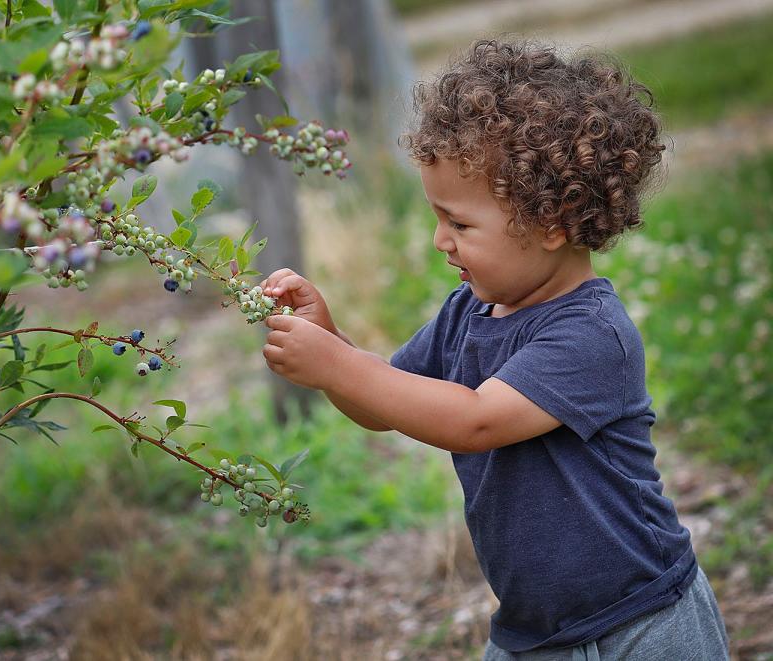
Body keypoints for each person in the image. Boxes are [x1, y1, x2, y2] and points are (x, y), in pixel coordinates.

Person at [259, 40, 729, 659]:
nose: (439, 241)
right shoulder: (469, 312)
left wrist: (339, 365)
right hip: (533, 634)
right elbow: (384, 404)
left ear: (553, 222)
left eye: (459, 223)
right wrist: (333, 348)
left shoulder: (591, 335)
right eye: (437, 218)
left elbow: (475, 420)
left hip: (643, 623)